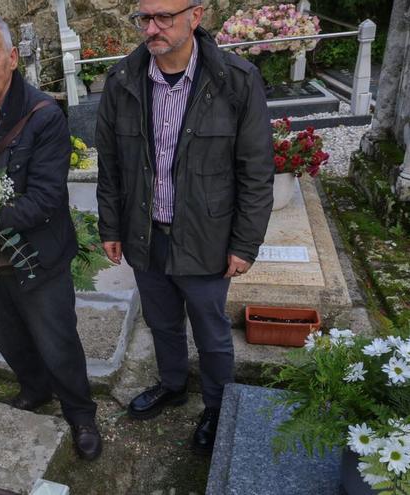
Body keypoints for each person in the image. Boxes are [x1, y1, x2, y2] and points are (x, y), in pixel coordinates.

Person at [95, 0, 274, 453]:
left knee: (212, 333)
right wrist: (111, 227)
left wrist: (245, 244)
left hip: (207, 236)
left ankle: (217, 405)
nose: (151, 29)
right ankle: (173, 384)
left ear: (196, 16)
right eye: (143, 19)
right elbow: (111, 165)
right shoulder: (122, 81)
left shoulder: (235, 79)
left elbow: (255, 170)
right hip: (145, 231)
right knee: (162, 322)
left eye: (164, 18)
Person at [0, 16, 102, 460]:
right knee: (9, 337)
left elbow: (46, 198)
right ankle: (35, 390)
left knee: (58, 341)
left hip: (40, 256)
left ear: (12, 59)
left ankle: (80, 413)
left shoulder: (45, 116)